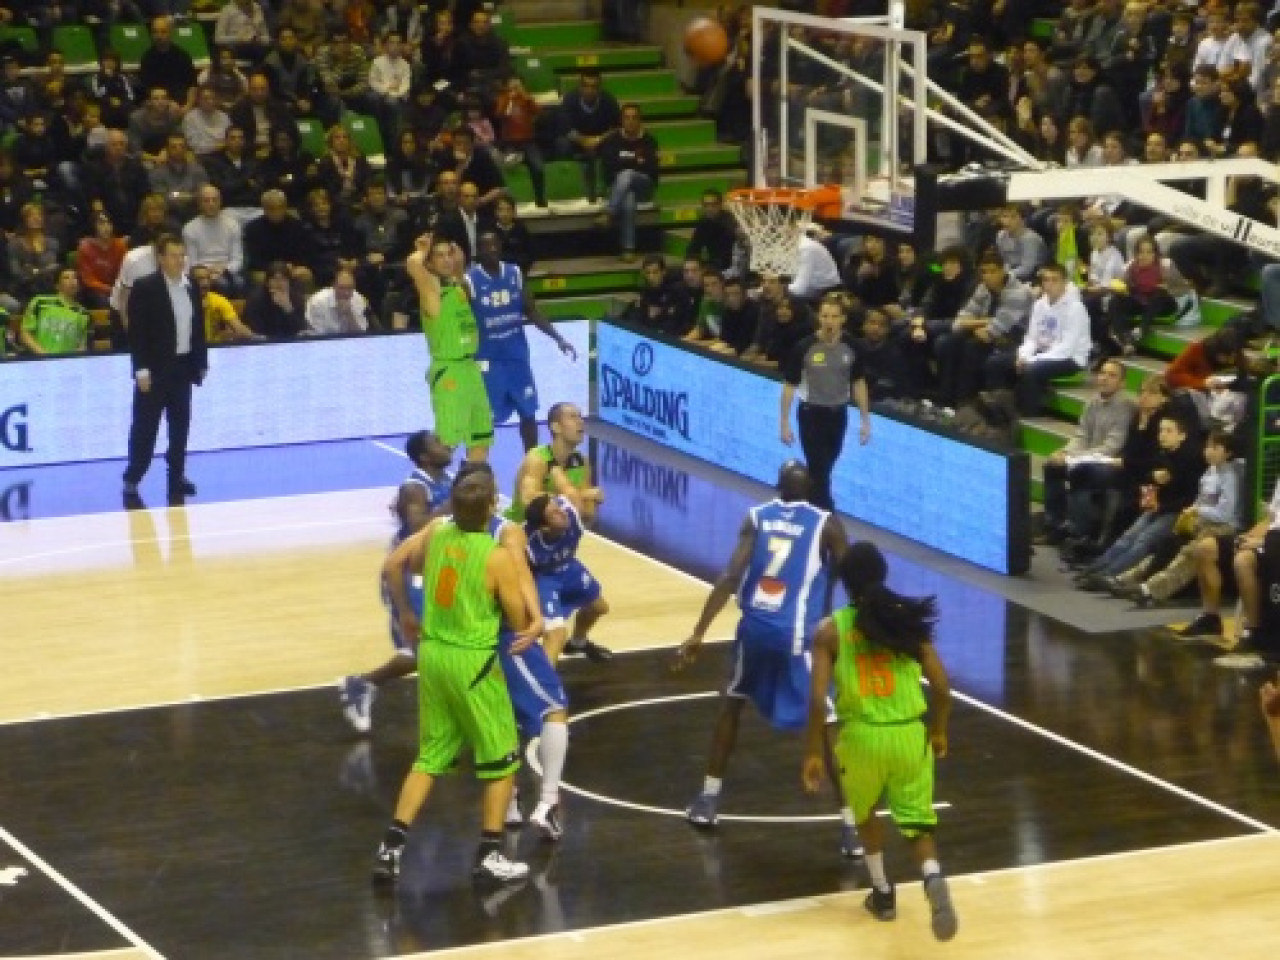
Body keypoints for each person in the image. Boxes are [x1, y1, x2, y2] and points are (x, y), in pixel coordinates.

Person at [673, 462, 858, 853]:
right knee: (828, 726)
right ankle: (851, 826)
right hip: (797, 637)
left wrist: (698, 633)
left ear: (777, 487)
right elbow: (855, 577)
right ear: (811, 488)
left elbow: (729, 576)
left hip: (755, 630)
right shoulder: (827, 524)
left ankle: (708, 798)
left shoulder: (756, 517)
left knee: (731, 706)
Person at [372, 473, 533, 885]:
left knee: (431, 756)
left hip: (433, 655)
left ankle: (391, 847)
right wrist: (532, 625)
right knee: (502, 758)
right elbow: (517, 620)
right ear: (492, 510)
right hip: (472, 662)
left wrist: (407, 612)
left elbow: (395, 565)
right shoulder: (496, 555)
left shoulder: (437, 532)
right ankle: (490, 855)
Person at [803, 540, 957, 942]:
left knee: (866, 810)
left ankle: (883, 893)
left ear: (844, 582)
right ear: (883, 575)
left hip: (862, 736)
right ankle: (932, 877)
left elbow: (818, 700)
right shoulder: (905, 620)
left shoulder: (830, 630)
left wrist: (813, 753)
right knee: (918, 825)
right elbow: (942, 687)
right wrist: (938, 730)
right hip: (910, 734)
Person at [341, 430, 455, 734]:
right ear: (424, 456)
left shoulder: (446, 480)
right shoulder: (414, 488)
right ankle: (363, 684)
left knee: (445, 642)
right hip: (407, 575)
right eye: (438, 443)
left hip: (439, 572)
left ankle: (363, 684)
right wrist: (455, 505)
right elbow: (416, 526)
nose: (447, 444)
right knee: (425, 650)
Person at [466, 231, 577, 452]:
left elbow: (531, 311)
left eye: (495, 244)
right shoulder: (470, 280)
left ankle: (532, 457)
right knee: (485, 418)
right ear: (478, 251)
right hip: (489, 359)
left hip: (517, 357)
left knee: (528, 413)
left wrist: (558, 338)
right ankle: (477, 462)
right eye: (486, 247)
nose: (492, 250)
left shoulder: (514, 273)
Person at [122, 234, 208, 504]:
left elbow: (197, 328)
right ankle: (133, 476)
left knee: (180, 427)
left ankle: (177, 477)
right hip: (155, 370)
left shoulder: (190, 286)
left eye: (182, 255)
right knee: (146, 428)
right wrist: (141, 370)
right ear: (161, 258)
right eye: (173, 255)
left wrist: (200, 361)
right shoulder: (145, 287)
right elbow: (137, 334)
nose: (179, 260)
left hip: (182, 368)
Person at [780, 293, 872, 513]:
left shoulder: (852, 347)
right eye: (824, 316)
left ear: (843, 319)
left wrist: (865, 419)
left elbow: (858, 382)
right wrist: (784, 421)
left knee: (825, 467)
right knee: (819, 469)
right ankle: (827, 514)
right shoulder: (805, 347)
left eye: (833, 316)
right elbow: (789, 385)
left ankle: (802, 504)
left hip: (838, 415)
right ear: (818, 318)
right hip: (811, 414)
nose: (828, 321)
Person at [409, 236, 493, 462]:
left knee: (481, 438)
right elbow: (413, 265)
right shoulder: (431, 291)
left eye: (449, 254)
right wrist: (422, 251)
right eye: (440, 256)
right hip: (449, 371)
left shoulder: (458, 286)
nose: (447, 260)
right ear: (429, 263)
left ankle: (474, 491)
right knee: (446, 445)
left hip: (470, 369)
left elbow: (459, 266)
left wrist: (458, 256)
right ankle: (430, 488)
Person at [1039, 359, 1136, 545]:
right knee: (1051, 465)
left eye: (1112, 375)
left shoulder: (1126, 408)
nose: (1105, 378)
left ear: (1122, 383)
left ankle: (1078, 533)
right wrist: (1065, 452)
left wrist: (1074, 459)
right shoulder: (1092, 403)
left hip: (1113, 464)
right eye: (1102, 373)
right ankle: (1055, 526)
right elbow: (1081, 435)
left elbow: (1111, 447)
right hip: (1086, 458)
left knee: (1080, 472)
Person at [523, 493, 610, 664]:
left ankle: (578, 643)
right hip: (544, 580)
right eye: (554, 513)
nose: (561, 512)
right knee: (555, 635)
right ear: (545, 528)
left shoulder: (571, 512)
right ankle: (546, 684)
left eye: (557, 506)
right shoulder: (526, 543)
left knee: (599, 608)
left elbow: (580, 498)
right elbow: (518, 574)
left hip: (570, 568)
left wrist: (591, 495)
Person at [18, 268, 91, 356]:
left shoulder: (84, 313)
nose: (72, 281)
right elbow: (25, 334)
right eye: (66, 278)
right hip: (39, 360)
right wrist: (44, 356)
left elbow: (81, 346)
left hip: (66, 364)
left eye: (75, 278)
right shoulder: (40, 302)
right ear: (57, 285)